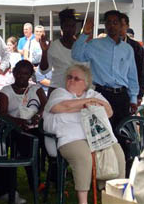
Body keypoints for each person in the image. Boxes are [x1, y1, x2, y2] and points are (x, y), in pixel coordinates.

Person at [43, 64, 125, 204]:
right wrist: (88, 103)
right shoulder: (59, 93)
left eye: (76, 78)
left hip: (96, 137)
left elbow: (108, 111)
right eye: (69, 77)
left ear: (86, 84)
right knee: (84, 156)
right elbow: (60, 106)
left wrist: (83, 103)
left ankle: (115, 198)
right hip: (69, 138)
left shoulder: (93, 94)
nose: (71, 80)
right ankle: (83, 201)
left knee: (118, 153)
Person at [72, 10, 138, 132]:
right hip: (102, 94)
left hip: (122, 97)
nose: (112, 25)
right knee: (102, 134)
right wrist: (85, 34)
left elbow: (132, 75)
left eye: (115, 22)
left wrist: (133, 99)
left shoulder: (128, 49)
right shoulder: (94, 44)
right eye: (109, 22)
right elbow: (76, 55)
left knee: (123, 134)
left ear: (120, 25)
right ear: (105, 25)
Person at [0, 60, 47, 203]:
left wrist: (38, 116)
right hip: (12, 128)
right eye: (19, 73)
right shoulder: (5, 91)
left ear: (30, 75)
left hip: (34, 128)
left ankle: (36, 183)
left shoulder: (36, 89)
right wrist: (18, 122)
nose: (22, 76)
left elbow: (46, 106)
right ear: (14, 73)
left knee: (35, 141)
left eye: (26, 73)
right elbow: (2, 114)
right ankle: (22, 185)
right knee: (24, 144)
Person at [39, 8, 85, 97]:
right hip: (57, 90)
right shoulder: (53, 46)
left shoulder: (82, 46)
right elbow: (44, 70)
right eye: (67, 26)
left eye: (72, 26)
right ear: (62, 27)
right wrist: (44, 52)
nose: (70, 29)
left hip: (77, 91)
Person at [120, 13, 144, 106]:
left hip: (129, 93)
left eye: (122, 25)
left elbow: (142, 72)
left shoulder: (135, 47)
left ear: (127, 26)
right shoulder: (105, 46)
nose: (119, 28)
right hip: (107, 93)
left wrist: (139, 95)